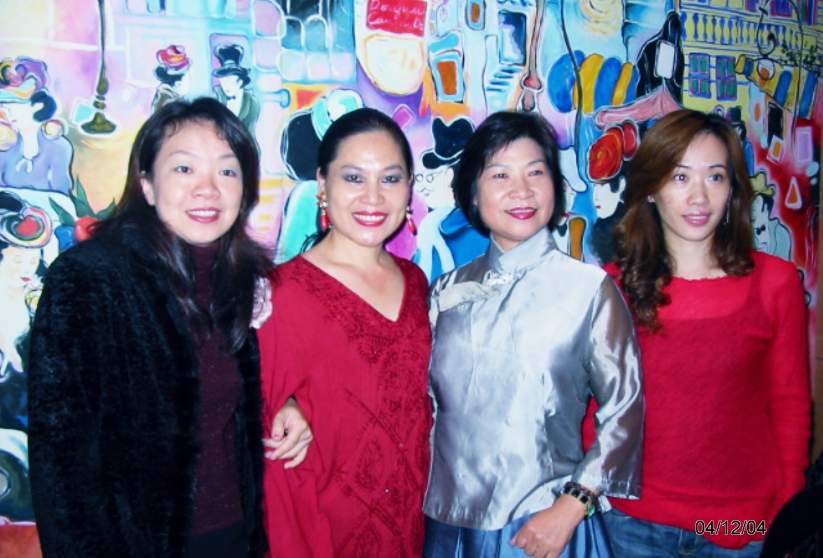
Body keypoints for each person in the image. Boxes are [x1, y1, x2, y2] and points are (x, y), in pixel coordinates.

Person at [27, 98, 312, 558]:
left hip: (235, 535)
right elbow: (61, 462)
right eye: (184, 169)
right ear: (147, 185)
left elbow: (237, 391)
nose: (208, 188)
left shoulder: (243, 282)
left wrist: (287, 404)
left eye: (227, 171)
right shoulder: (90, 279)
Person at [424, 110, 644, 558]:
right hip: (448, 526)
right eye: (500, 174)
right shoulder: (446, 292)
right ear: (472, 192)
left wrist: (575, 502)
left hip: (543, 525)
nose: (521, 190)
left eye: (536, 172)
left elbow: (625, 409)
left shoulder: (589, 290)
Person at [602, 109, 811, 557]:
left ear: (732, 189)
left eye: (715, 177)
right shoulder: (613, 285)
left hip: (740, 524)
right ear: (652, 189)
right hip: (634, 521)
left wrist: (787, 516)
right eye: (680, 178)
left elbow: (790, 405)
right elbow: (598, 410)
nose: (698, 197)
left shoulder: (775, 283)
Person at [259, 107, 433, 557]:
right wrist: (284, 406)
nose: (373, 197)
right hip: (320, 533)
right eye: (353, 178)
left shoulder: (416, 284)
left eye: (390, 179)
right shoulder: (283, 294)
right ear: (322, 185)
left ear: (409, 188)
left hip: (411, 529)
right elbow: (255, 427)